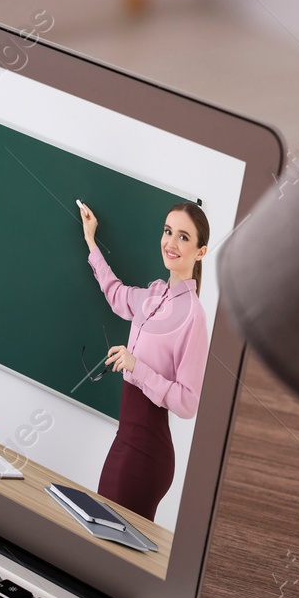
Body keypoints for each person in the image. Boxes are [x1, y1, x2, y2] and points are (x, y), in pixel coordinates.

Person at [78, 200, 210, 520]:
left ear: (200, 252)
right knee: (100, 532)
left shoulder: (194, 316)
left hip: (147, 452)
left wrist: (137, 367)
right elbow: (116, 294)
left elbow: (188, 403)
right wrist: (91, 241)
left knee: (108, 544)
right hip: (126, 439)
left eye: (183, 237)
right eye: (168, 232)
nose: (171, 242)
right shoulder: (154, 294)